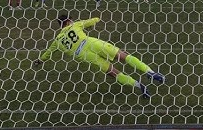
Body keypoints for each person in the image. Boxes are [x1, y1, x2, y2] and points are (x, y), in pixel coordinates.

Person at [33, 14, 165, 98]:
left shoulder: (57, 40)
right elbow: (92, 21)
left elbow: (47, 54)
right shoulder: (75, 25)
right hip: (92, 43)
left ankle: (140, 86)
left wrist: (39, 60)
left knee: (112, 72)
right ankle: (150, 72)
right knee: (123, 56)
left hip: (84, 56)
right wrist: (96, 20)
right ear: (68, 21)